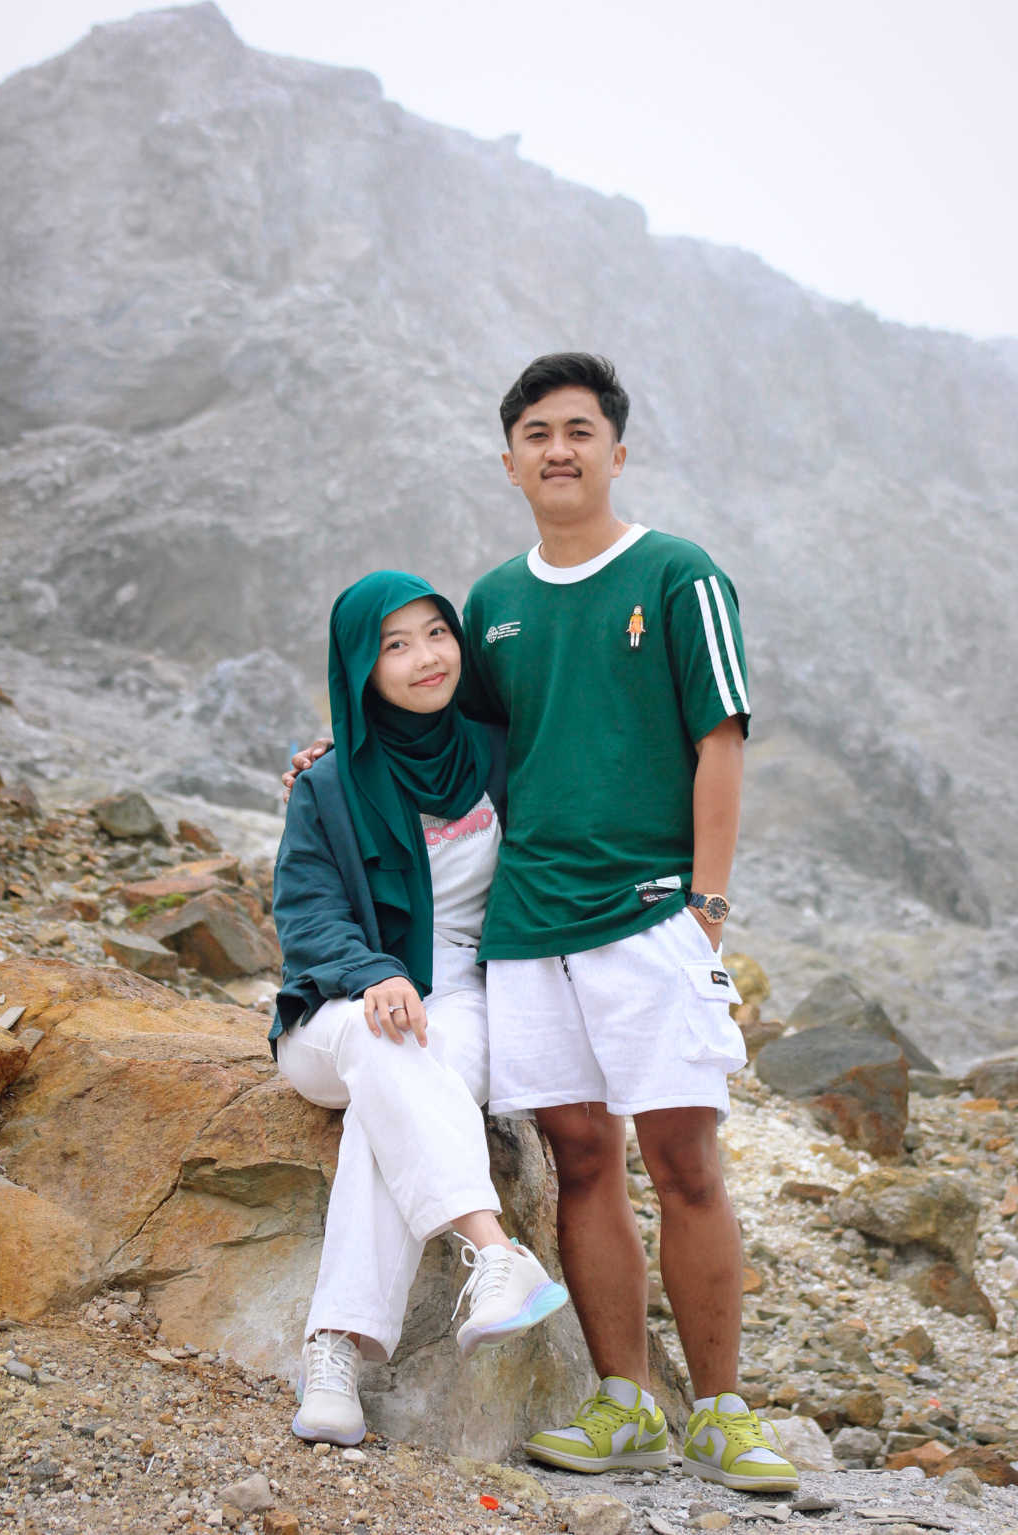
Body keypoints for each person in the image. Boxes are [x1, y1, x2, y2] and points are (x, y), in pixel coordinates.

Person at [285, 355, 798, 1493]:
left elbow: (721, 740)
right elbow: (438, 734)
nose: (558, 448)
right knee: (582, 1160)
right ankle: (624, 1404)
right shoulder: (491, 603)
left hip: (651, 913)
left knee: (684, 1159)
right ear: (509, 461)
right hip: (524, 933)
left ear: (617, 449)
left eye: (578, 429)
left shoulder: (677, 574)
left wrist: (708, 908)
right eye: (536, 433)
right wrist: (336, 751)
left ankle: (723, 1412)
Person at [271, 569, 567, 1448]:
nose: (425, 657)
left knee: (390, 1106)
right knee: (383, 1040)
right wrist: (372, 972)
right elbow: (306, 914)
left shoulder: (498, 753)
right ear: (361, 667)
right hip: (336, 1009)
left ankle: (334, 1354)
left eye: (437, 633)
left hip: (468, 994)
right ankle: (494, 1248)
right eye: (394, 645)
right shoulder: (328, 783)